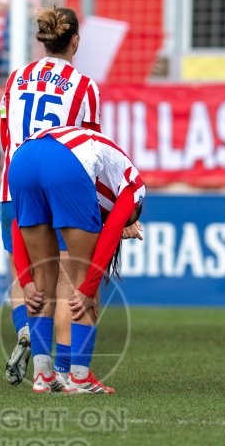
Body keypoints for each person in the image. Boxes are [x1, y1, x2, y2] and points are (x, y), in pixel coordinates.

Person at [0, 6, 102, 387]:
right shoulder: (84, 86)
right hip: (62, 187)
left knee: (26, 276)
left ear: (42, 40)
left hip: (16, 184)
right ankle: (68, 370)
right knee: (69, 283)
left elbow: (5, 135)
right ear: (75, 40)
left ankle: (31, 344)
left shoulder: (15, 79)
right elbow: (90, 150)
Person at [9, 126, 146, 394]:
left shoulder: (100, 179)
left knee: (41, 281)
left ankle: (42, 377)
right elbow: (111, 232)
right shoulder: (135, 186)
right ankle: (80, 379)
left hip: (23, 156)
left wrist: (26, 281)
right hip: (66, 162)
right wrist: (88, 288)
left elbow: (18, 222)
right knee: (83, 280)